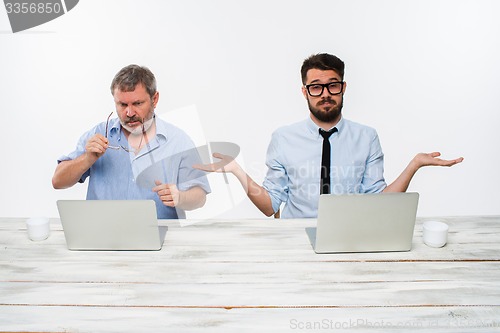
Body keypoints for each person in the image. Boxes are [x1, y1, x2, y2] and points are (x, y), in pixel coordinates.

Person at [195, 53, 463, 218]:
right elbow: (270, 206)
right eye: (316, 87)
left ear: (343, 87)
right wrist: (238, 171)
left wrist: (413, 165)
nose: (325, 93)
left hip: (349, 238)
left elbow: (379, 203)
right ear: (304, 92)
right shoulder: (283, 138)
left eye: (332, 85)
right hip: (296, 239)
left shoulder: (367, 137)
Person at [52, 64, 210, 219]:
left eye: (137, 103)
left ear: (154, 99)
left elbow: (200, 196)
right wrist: (87, 158)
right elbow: (58, 181)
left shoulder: (177, 140)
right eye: (122, 104)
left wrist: (180, 197)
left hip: (160, 236)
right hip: (103, 238)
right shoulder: (99, 134)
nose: (129, 112)